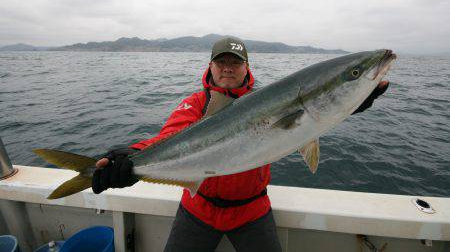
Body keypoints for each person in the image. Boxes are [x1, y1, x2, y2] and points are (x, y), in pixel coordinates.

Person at [91, 37, 389, 251]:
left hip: (252, 212)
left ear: (247, 68)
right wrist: (134, 156)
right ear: (211, 66)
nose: (228, 68)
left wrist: (352, 101)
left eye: (236, 62)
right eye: (222, 62)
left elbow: (315, 116)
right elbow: (167, 138)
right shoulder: (196, 104)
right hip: (198, 210)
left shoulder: (269, 100)